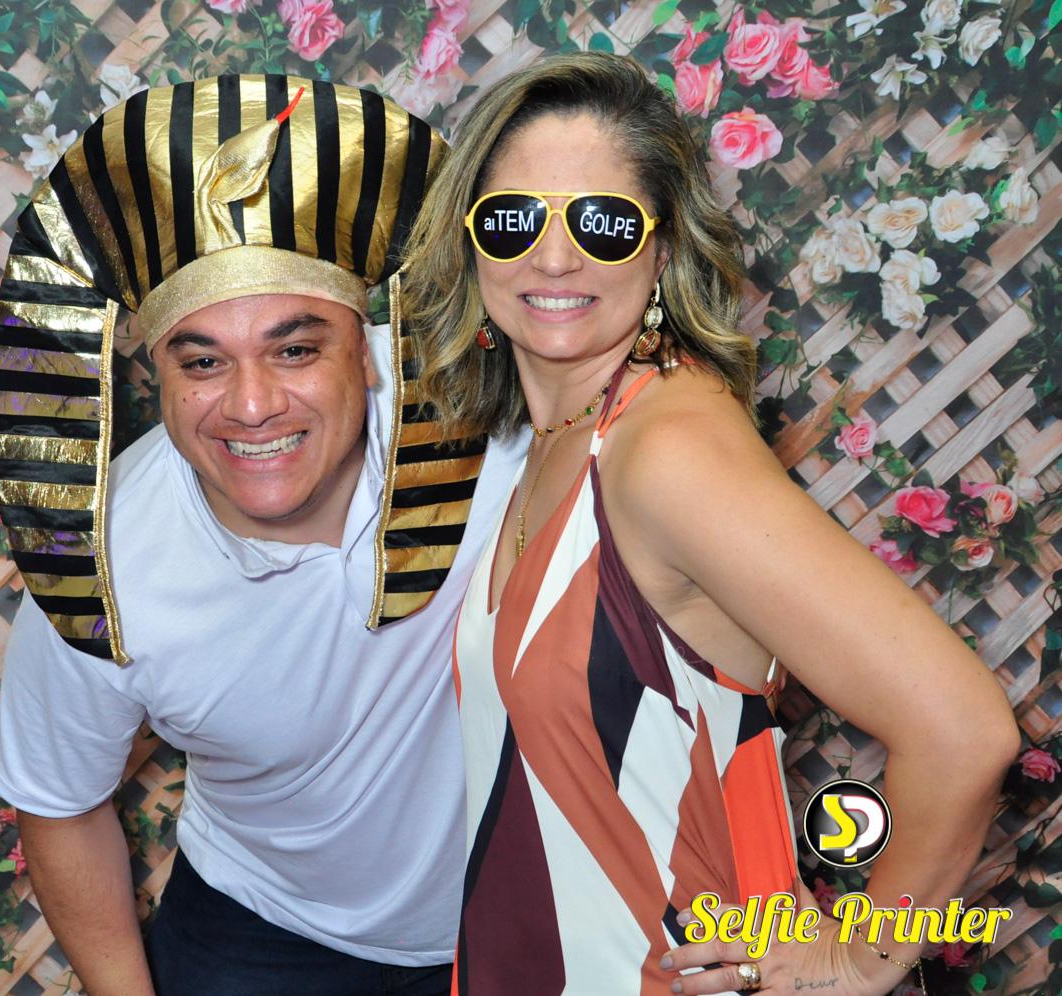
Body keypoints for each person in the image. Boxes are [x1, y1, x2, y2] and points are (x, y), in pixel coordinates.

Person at [400, 52, 1019, 995]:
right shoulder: (563, 434)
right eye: (514, 218)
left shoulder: (668, 449)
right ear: (472, 241)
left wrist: (856, 961)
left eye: (604, 224)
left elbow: (963, 730)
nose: (553, 257)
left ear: (661, 253)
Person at [0, 74, 523, 995]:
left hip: (531, 923)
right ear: (155, 377)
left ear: (370, 352)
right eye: (202, 362)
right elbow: (58, 804)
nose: (254, 404)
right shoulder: (99, 568)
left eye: (295, 349)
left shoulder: (496, 420)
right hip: (265, 933)